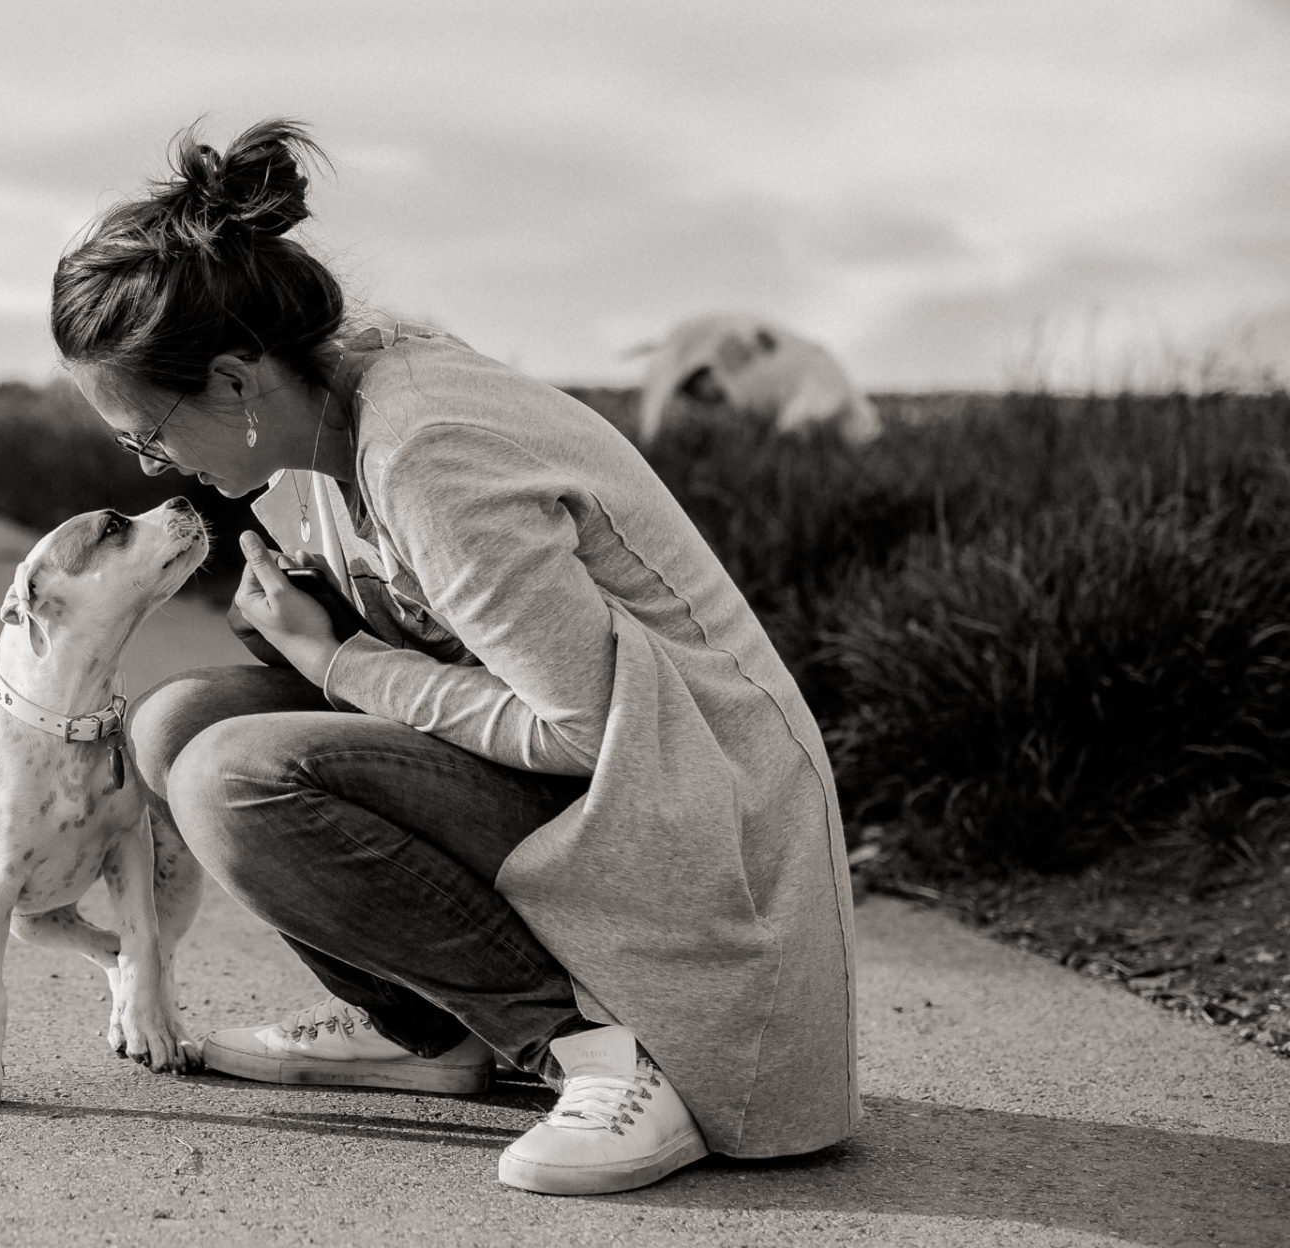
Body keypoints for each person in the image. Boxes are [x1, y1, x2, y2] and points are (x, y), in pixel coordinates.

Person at [51, 119, 860, 1196]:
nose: (156, 465)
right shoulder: (308, 432)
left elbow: (580, 728)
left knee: (231, 774)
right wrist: (320, 639)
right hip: (613, 784)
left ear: (239, 383)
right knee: (174, 724)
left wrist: (338, 667)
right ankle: (434, 1031)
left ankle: (612, 1052)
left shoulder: (424, 448)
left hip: (703, 816)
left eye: (150, 435)